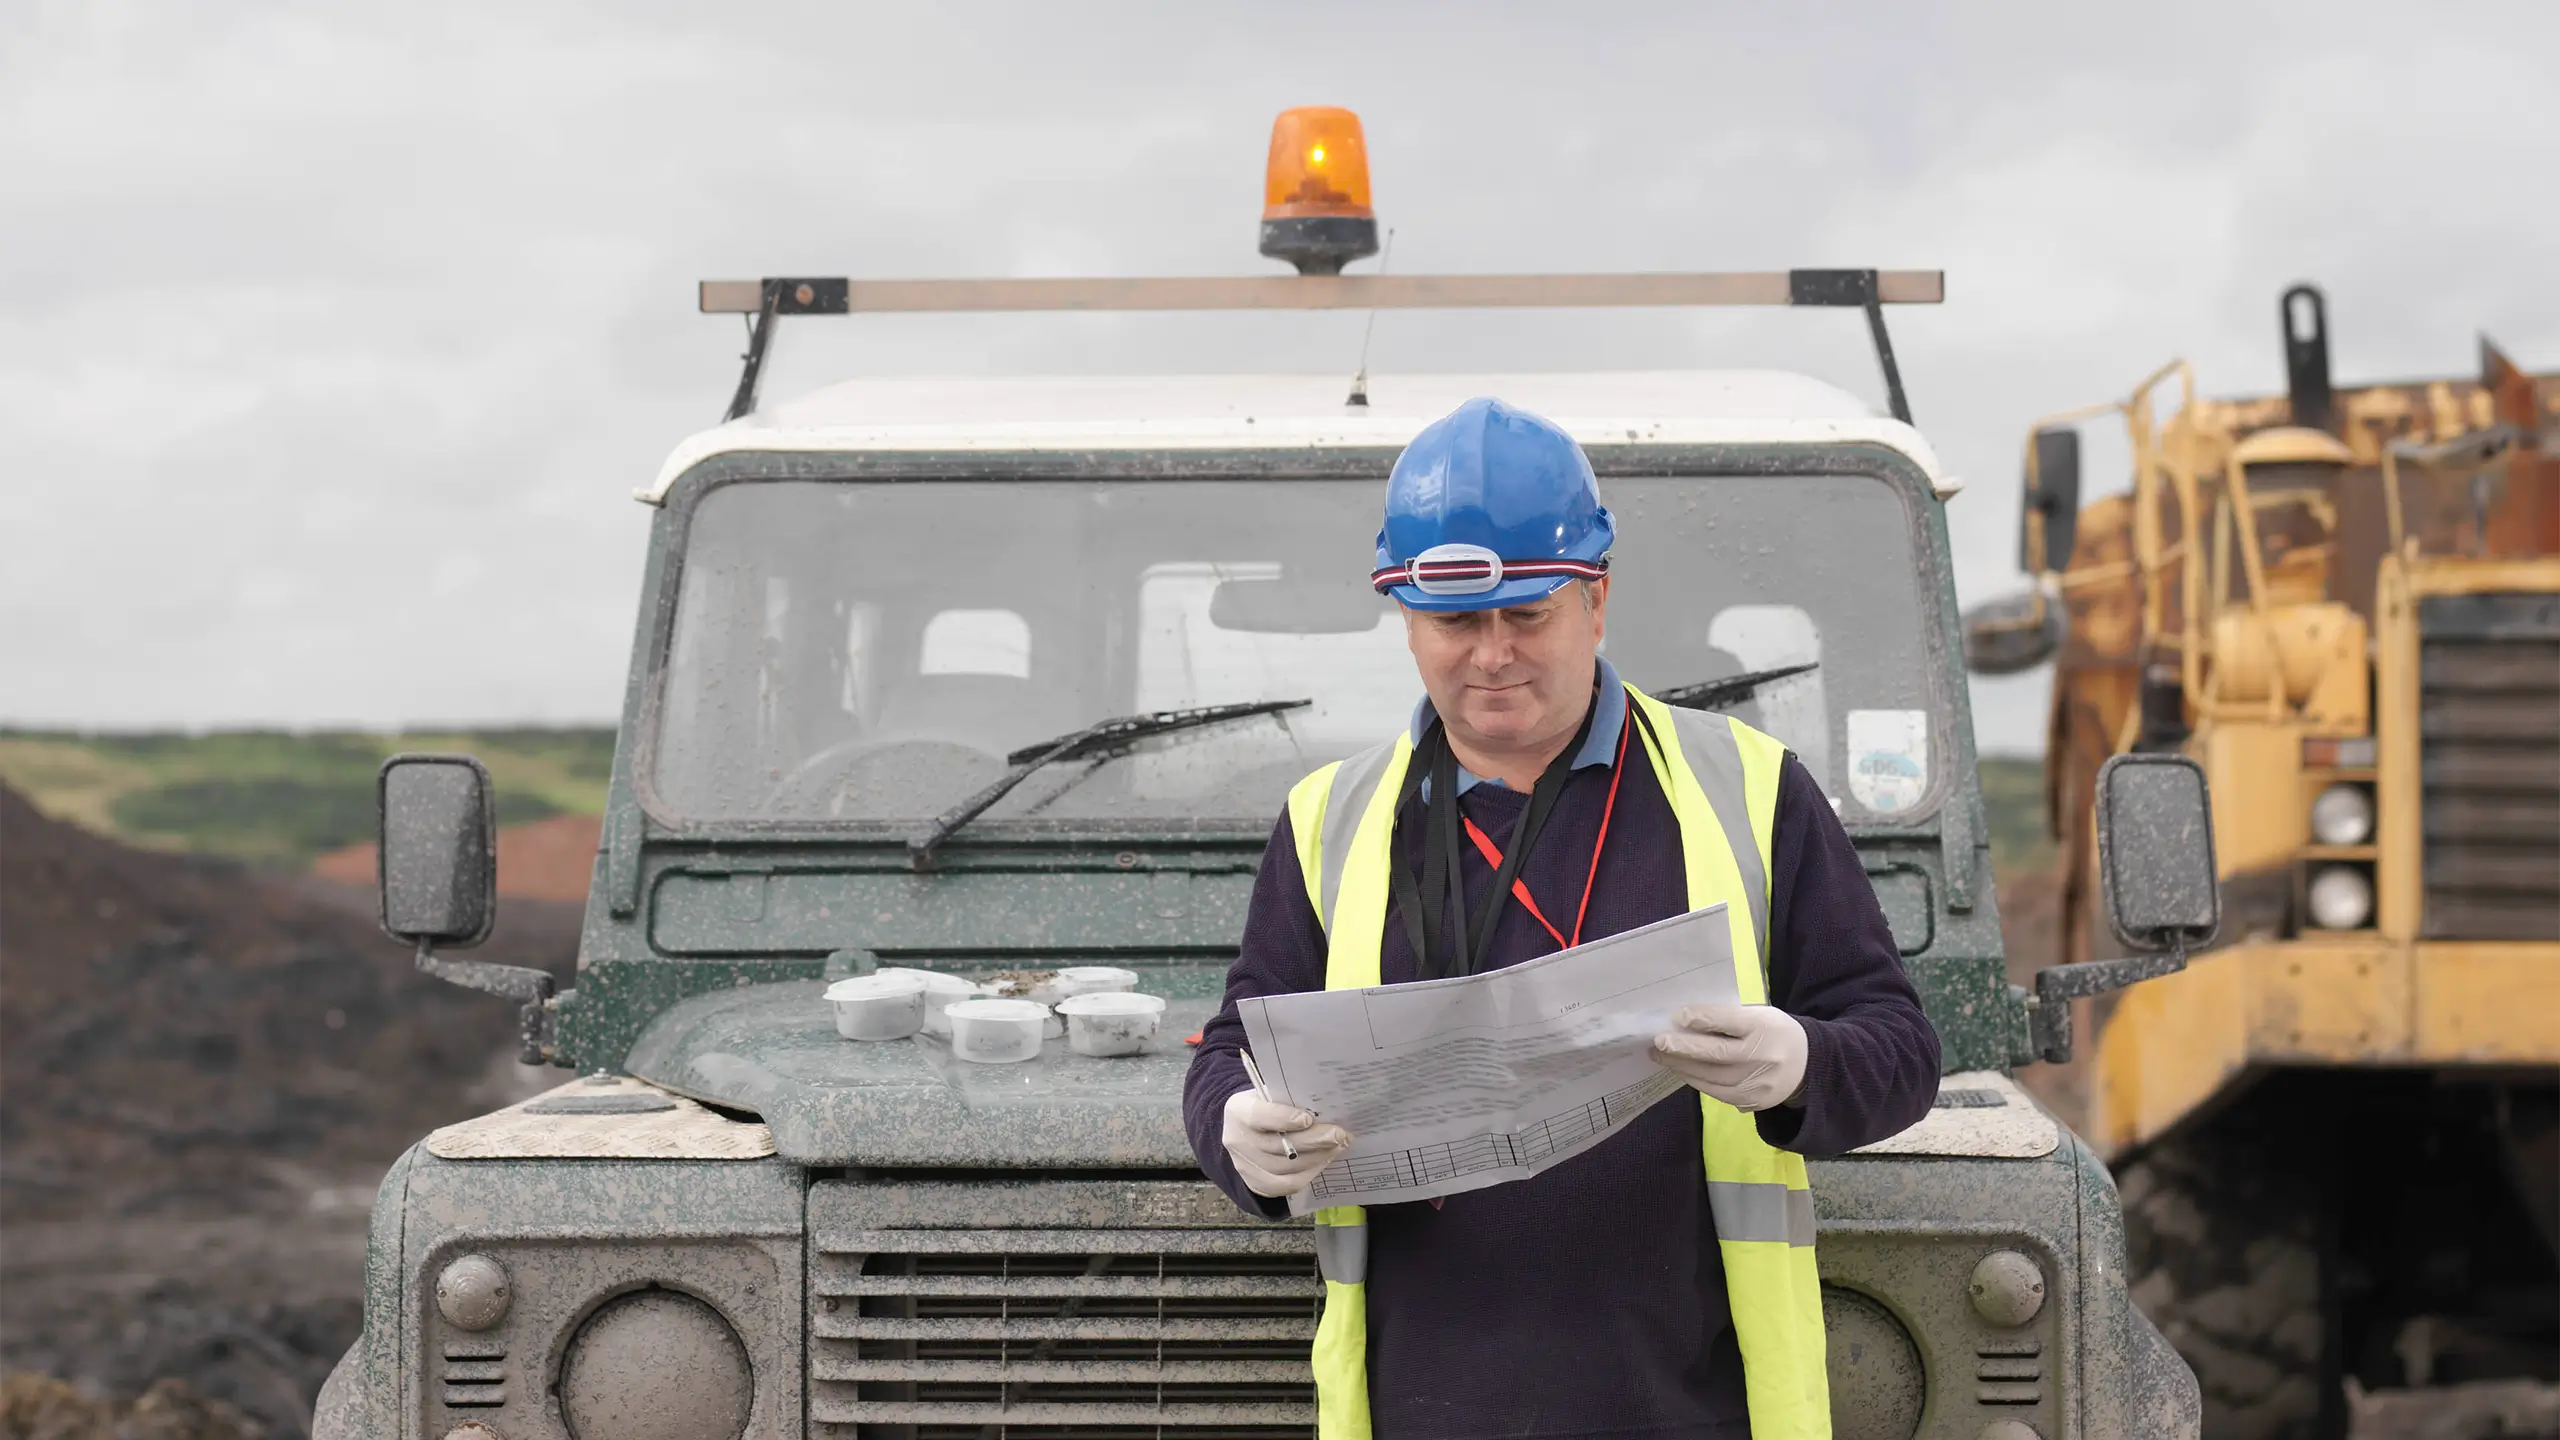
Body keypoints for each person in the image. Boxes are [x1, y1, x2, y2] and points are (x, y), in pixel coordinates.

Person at [1181, 397, 1942, 1440]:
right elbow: (1233, 1046)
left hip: (1689, 1408)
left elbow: (1898, 1050)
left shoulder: (1748, 791)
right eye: (1454, 622)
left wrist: (1802, 1066)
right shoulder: (1330, 822)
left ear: (1596, 599)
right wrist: (1234, 1132)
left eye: (1528, 615)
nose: (1491, 655)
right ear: (1405, 617)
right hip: (1417, 1409)